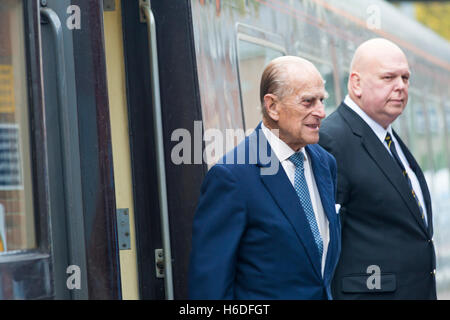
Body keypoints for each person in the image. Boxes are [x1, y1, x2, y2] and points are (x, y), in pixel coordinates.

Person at [189, 56, 341, 299]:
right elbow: (210, 287)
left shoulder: (324, 164)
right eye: (308, 102)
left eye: (322, 100)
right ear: (272, 106)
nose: (321, 112)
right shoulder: (232, 177)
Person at [319, 38, 436, 299]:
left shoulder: (388, 138)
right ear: (356, 83)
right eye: (388, 77)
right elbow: (324, 243)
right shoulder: (332, 140)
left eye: (405, 78)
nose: (401, 87)